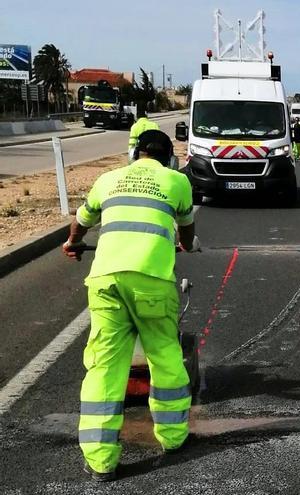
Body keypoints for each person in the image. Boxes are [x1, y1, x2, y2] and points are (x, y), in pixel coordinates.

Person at [62, 130, 200, 482]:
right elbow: (186, 229)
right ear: (169, 157)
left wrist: (72, 242)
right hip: (152, 282)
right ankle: (173, 439)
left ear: (135, 154)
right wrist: (184, 244)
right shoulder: (176, 181)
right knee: (165, 356)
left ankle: (100, 460)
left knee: (104, 367)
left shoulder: (107, 179)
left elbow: (82, 220)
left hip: (105, 281)